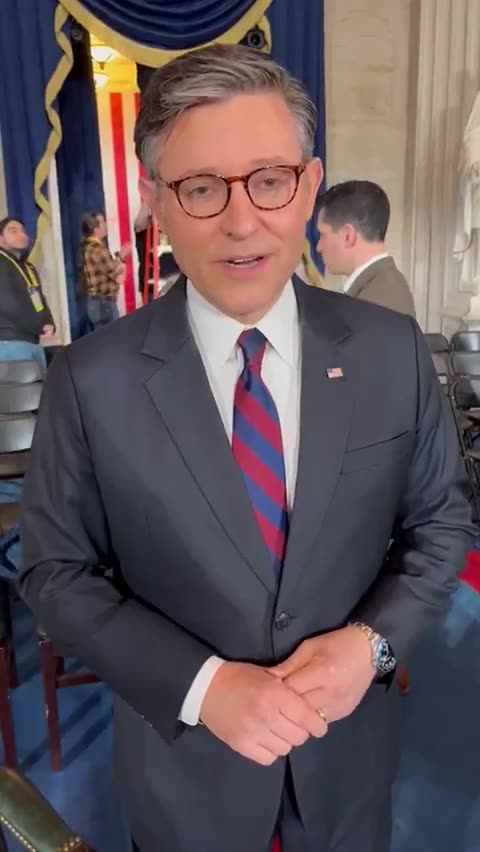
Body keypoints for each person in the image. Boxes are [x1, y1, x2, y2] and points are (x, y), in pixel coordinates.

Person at [19, 44, 473, 852]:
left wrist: (371, 644)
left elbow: (440, 527)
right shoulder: (92, 379)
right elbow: (56, 573)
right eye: (200, 188)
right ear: (157, 201)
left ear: (309, 186)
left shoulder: (390, 350)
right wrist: (203, 686)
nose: (240, 220)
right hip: (186, 774)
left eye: (270, 179)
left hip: (349, 769)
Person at [317, 180, 416, 316]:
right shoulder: (387, 284)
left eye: (322, 234)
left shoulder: (369, 307)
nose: (318, 247)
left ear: (348, 236)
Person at [0, 217, 55, 372]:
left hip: (32, 340)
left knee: (37, 391)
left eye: (23, 231)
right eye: (13, 231)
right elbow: (7, 304)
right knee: (19, 394)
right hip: (10, 342)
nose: (21, 234)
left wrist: (49, 322)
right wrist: (37, 326)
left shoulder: (28, 267)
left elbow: (39, 298)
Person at [79, 212, 131, 330]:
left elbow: (108, 269)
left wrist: (120, 256)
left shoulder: (88, 248)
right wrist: (123, 258)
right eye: (103, 222)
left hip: (96, 303)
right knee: (112, 342)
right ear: (95, 228)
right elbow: (119, 277)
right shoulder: (98, 249)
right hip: (104, 305)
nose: (106, 225)